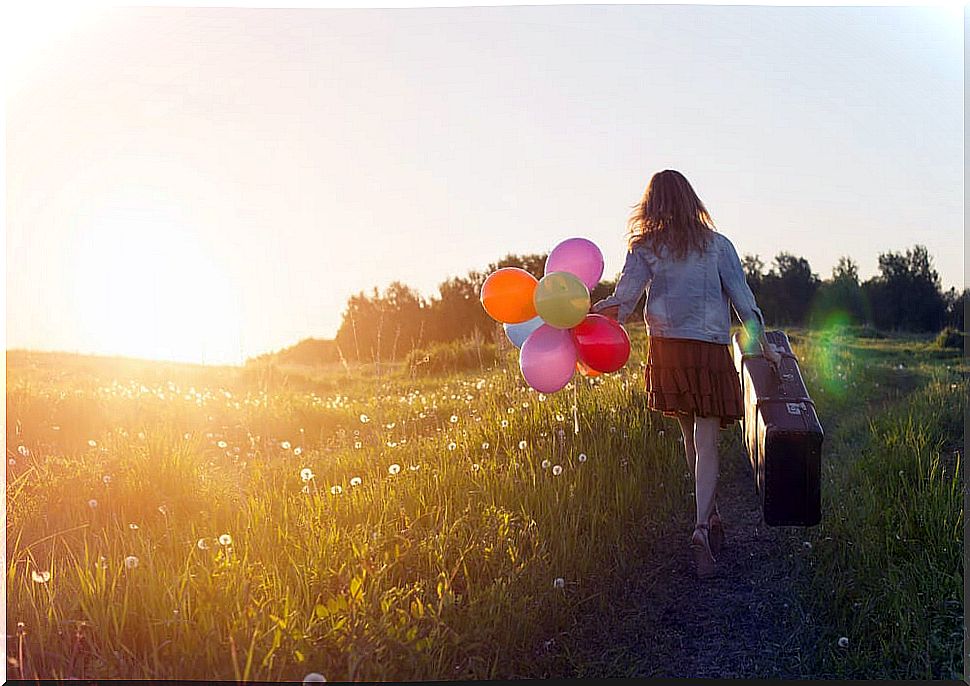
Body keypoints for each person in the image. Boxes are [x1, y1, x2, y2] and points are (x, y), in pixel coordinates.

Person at [591, 169, 782, 579]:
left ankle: (709, 519)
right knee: (707, 442)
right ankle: (701, 526)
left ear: (652, 204)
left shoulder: (645, 247)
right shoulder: (718, 245)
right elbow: (745, 303)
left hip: (669, 350)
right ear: (691, 200)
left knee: (689, 440)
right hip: (709, 348)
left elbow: (622, 303)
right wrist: (764, 347)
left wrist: (587, 316)